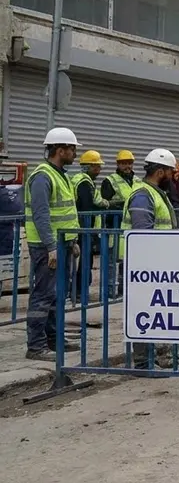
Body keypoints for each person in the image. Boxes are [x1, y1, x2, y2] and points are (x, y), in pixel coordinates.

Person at [23, 128, 82, 361]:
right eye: (72, 149)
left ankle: (54, 339)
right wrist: (51, 247)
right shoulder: (42, 176)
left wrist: (72, 241)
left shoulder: (60, 174)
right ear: (60, 150)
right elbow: (41, 215)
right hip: (47, 247)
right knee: (43, 296)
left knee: (58, 295)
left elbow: (65, 211)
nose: (75, 154)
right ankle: (35, 346)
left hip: (62, 244)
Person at [122, 149, 179, 373]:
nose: (173, 177)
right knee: (144, 312)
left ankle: (150, 358)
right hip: (144, 265)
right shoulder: (143, 196)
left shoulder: (155, 192)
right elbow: (142, 234)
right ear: (160, 171)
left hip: (156, 264)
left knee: (154, 312)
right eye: (170, 173)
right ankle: (144, 363)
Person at [70, 150, 109, 296]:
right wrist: (101, 206)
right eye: (95, 167)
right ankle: (80, 291)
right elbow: (86, 206)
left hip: (81, 226)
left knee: (84, 260)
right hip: (84, 227)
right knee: (85, 260)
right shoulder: (84, 183)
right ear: (87, 167)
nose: (98, 170)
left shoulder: (81, 179)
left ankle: (78, 290)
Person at [101, 150, 141, 215]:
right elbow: (106, 204)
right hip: (117, 220)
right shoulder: (109, 181)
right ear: (118, 164)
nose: (128, 166)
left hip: (136, 218)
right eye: (124, 164)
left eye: (130, 163)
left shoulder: (137, 180)